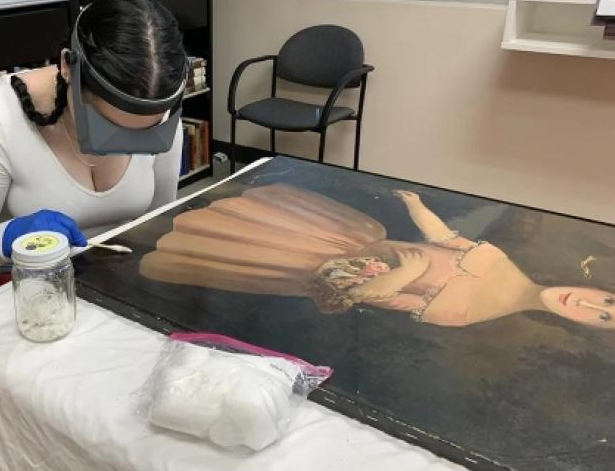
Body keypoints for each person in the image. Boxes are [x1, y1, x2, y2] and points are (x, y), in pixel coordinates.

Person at [0, 0, 187, 286]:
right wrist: (7, 236)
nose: (127, 143)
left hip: (121, 277)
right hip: (31, 286)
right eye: (109, 126)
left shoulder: (157, 107)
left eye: (144, 133)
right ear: (67, 67)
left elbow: (159, 220)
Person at [139, 184, 615, 329]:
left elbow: (369, 297)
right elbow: (445, 236)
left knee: (239, 244)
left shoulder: (468, 313)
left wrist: (402, 273)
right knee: (259, 209)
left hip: (325, 264)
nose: (587, 305)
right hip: (345, 235)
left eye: (601, 320)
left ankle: (164, 237)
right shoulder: (499, 258)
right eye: (607, 302)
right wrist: (416, 206)